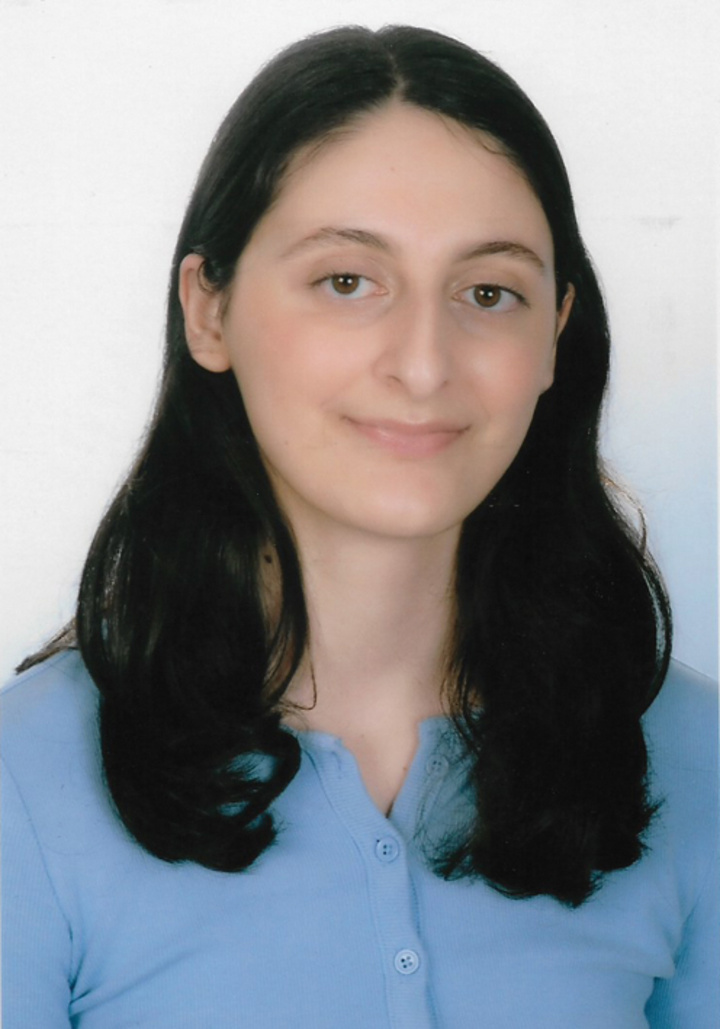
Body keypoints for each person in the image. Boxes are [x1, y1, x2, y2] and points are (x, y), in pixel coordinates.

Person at [1, 24, 717, 1029]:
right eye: (347, 281)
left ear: (555, 333)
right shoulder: (23, 785)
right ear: (209, 310)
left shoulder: (694, 758)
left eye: (488, 292)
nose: (423, 364)